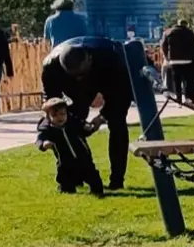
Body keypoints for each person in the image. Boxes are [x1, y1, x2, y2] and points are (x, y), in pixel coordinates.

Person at [38, 36, 139, 192]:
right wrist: (57, 121)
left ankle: (117, 180)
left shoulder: (112, 58)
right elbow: (52, 101)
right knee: (67, 128)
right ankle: (74, 176)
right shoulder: (51, 67)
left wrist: (102, 116)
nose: (79, 78)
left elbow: (121, 96)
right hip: (73, 91)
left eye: (81, 74)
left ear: (89, 59)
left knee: (117, 123)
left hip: (107, 78)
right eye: (75, 75)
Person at [35, 97, 105, 196]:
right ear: (48, 117)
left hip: (83, 158)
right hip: (65, 162)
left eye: (62, 114)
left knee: (93, 179)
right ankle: (65, 188)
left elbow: (86, 131)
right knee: (66, 181)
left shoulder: (74, 124)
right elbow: (40, 139)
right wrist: (43, 144)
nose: (59, 118)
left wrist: (92, 128)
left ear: (67, 113)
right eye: (54, 115)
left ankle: (97, 191)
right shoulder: (48, 130)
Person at [160, 18, 194, 108]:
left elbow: (163, 45)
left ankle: (178, 100)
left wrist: (167, 57)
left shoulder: (168, 32)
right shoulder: (190, 33)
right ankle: (189, 99)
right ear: (186, 24)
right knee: (188, 81)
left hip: (174, 60)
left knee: (177, 81)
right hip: (187, 60)